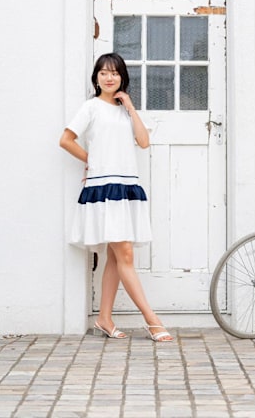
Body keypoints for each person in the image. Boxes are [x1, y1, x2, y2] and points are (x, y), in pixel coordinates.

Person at [60, 52, 172, 342]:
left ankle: (104, 319)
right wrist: (91, 161)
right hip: (103, 188)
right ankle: (153, 320)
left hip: (125, 186)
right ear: (96, 78)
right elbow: (65, 140)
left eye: (115, 73)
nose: (109, 78)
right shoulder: (91, 107)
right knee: (124, 253)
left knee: (115, 254)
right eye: (103, 73)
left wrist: (131, 107)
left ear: (122, 78)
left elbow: (144, 142)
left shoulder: (124, 111)